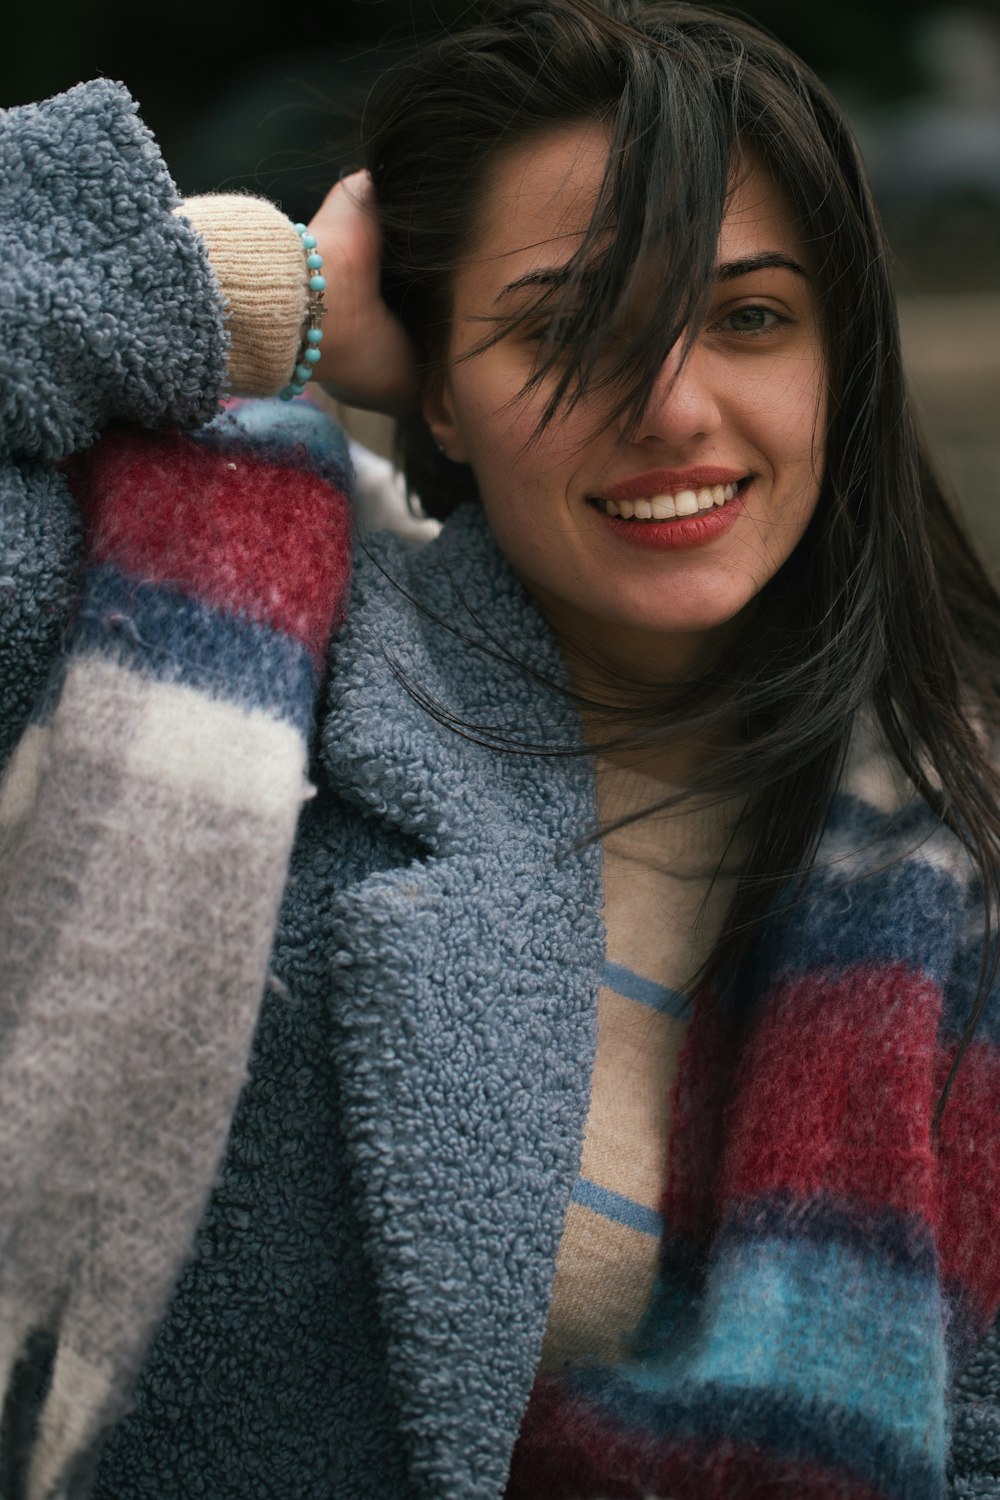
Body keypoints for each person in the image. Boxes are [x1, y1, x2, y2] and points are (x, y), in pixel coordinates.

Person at [1, 1, 998, 1496]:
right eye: (568, 326)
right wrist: (270, 287)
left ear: (839, 365)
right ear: (441, 391)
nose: (673, 407)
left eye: (748, 317)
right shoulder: (205, 648)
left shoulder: (956, 840)